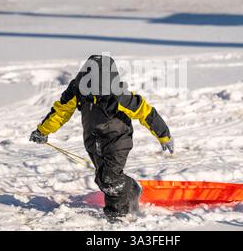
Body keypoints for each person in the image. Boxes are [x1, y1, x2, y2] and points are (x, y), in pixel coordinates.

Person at [29, 55, 173, 219]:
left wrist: (164, 135)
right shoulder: (77, 89)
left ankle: (117, 214)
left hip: (118, 139)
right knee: (103, 179)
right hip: (92, 140)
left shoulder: (118, 95)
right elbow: (61, 111)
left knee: (109, 178)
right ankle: (132, 189)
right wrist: (43, 130)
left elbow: (145, 112)